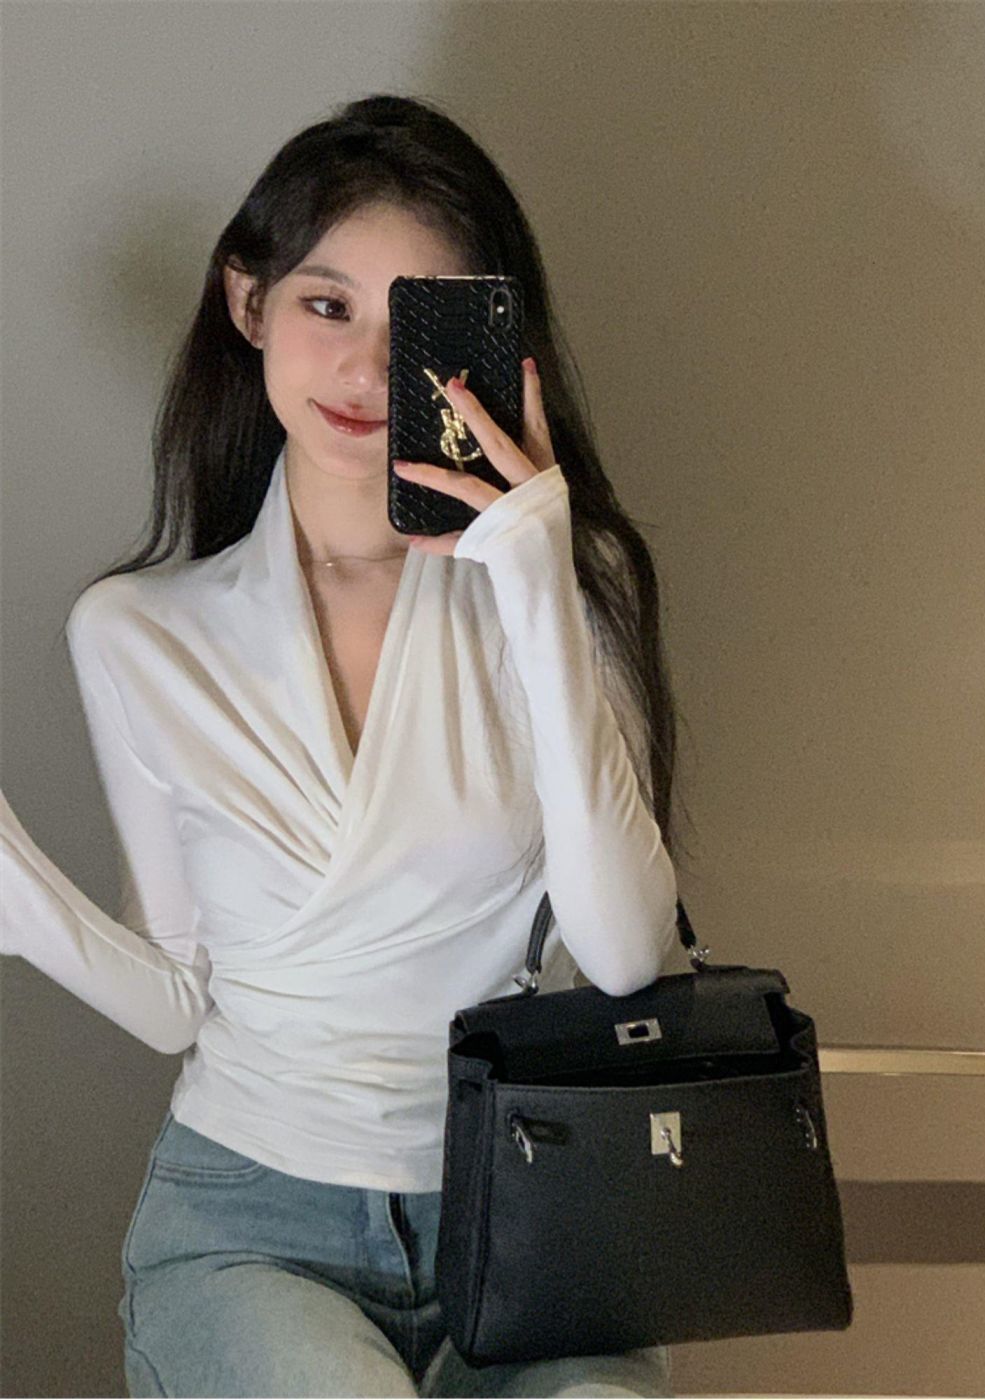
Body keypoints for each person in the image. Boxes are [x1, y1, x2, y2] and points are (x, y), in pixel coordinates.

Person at [1, 92, 690, 1397]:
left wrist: (538, 577)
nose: (367, 371)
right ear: (248, 304)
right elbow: (177, 998)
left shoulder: (565, 582)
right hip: (251, 1227)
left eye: (414, 322)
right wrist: (20, 893)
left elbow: (619, 957)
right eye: (327, 307)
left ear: (490, 342)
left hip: (529, 1218)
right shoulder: (139, 634)